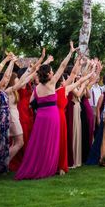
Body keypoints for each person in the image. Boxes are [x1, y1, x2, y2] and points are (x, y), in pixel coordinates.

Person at [15, 45, 74, 180]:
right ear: (48, 74)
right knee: (51, 142)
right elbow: (63, 66)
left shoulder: (36, 89)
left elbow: (31, 103)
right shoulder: (52, 83)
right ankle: (48, 167)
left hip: (41, 116)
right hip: (52, 116)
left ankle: (41, 166)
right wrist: (70, 52)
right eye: (52, 71)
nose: (53, 73)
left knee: (40, 142)